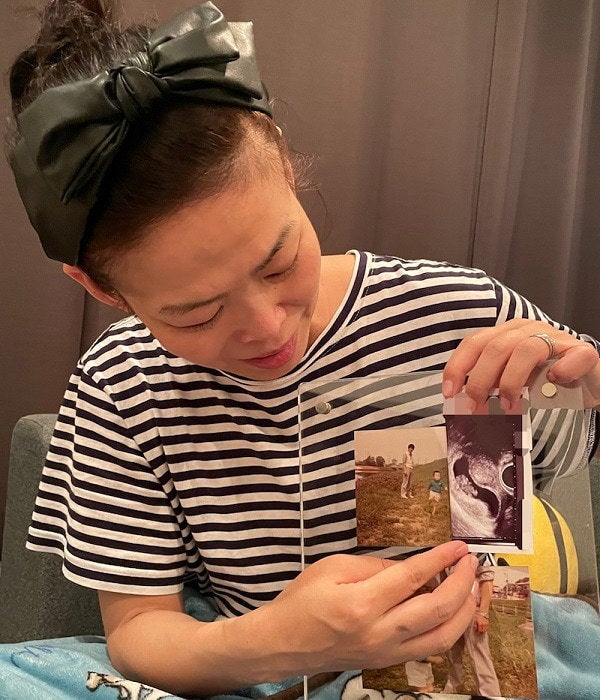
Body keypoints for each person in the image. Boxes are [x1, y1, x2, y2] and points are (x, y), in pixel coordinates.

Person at [7, 1, 600, 697]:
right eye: (197, 313)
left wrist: (584, 379)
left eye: (279, 262)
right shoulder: (122, 383)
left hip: (465, 656)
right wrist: (278, 642)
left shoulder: (457, 317)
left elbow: (542, 463)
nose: (266, 328)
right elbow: (140, 631)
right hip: (249, 669)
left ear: (285, 163)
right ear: (101, 289)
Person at [443, 563, 501, 696]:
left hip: (472, 608)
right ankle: (453, 689)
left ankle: (489, 694)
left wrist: (483, 613)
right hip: (453, 609)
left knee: (480, 657)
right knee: (453, 654)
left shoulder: (478, 553)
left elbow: (487, 577)